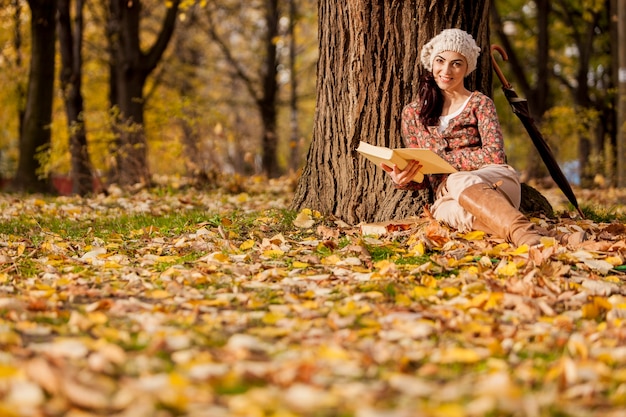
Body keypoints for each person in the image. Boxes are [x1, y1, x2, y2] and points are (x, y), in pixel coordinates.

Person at [382, 28, 583, 247]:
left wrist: (443, 162)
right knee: (448, 212)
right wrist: (403, 179)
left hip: (496, 181)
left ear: (467, 68)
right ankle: (542, 237)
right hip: (447, 197)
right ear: (432, 62)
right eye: (440, 61)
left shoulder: (480, 103)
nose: (446, 70)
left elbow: (494, 156)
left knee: (457, 178)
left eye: (456, 63)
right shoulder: (413, 114)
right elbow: (423, 176)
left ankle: (530, 238)